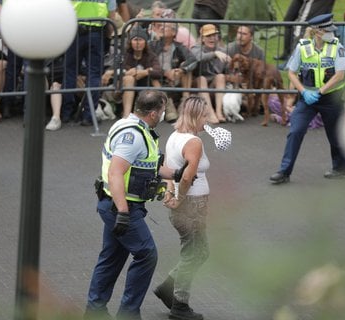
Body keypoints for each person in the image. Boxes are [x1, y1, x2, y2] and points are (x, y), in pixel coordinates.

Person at [85, 90, 187, 320]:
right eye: (162, 110)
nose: (164, 114)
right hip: (121, 206)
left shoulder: (135, 127)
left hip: (116, 204)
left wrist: (176, 173)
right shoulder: (132, 136)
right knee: (146, 254)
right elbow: (115, 173)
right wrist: (122, 212)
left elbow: (146, 165)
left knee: (111, 258)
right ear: (153, 113)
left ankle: (95, 310)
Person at [269, 13, 345, 185]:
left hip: (331, 99)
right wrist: (304, 92)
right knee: (295, 130)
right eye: (328, 30)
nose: (332, 33)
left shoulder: (337, 47)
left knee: (335, 135)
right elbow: (291, 73)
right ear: (317, 32)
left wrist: (320, 91)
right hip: (307, 99)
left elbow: (340, 75)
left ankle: (341, 166)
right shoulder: (303, 47)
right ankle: (284, 171)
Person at [153, 96, 211, 320]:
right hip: (192, 205)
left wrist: (170, 192)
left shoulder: (174, 136)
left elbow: (168, 169)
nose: (208, 120)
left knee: (201, 251)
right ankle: (180, 305)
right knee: (193, 253)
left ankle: (167, 288)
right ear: (196, 115)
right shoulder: (194, 142)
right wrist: (179, 198)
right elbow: (187, 177)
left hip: (187, 204)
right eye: (205, 115)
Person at [61, 0, 117, 126]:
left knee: (70, 71)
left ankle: (66, 113)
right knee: (94, 74)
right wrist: (107, 37)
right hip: (96, 33)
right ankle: (89, 114)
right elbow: (112, 16)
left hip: (74, 31)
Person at [149, 19, 198, 122]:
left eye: (166, 27)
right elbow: (149, 63)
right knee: (152, 73)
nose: (162, 28)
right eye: (161, 26)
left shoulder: (179, 47)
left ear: (174, 32)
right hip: (158, 78)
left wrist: (181, 70)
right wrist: (166, 73)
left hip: (175, 79)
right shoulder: (153, 45)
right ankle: (167, 104)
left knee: (186, 68)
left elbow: (193, 60)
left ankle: (184, 102)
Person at [191, 24, 230, 123]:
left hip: (213, 86)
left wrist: (230, 63)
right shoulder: (196, 48)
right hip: (198, 86)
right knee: (202, 79)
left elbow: (227, 70)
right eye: (208, 36)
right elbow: (198, 57)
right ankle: (210, 113)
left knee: (221, 76)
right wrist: (214, 54)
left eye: (214, 35)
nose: (212, 38)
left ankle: (219, 112)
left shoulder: (223, 50)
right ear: (202, 38)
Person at [120, 26, 162, 118]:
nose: (138, 43)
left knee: (155, 81)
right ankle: (126, 115)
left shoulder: (151, 56)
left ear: (145, 42)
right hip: (123, 89)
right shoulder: (125, 54)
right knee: (129, 78)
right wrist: (127, 73)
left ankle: (162, 110)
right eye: (135, 40)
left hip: (144, 88)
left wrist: (145, 72)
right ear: (130, 42)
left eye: (141, 40)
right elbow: (115, 70)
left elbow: (158, 72)